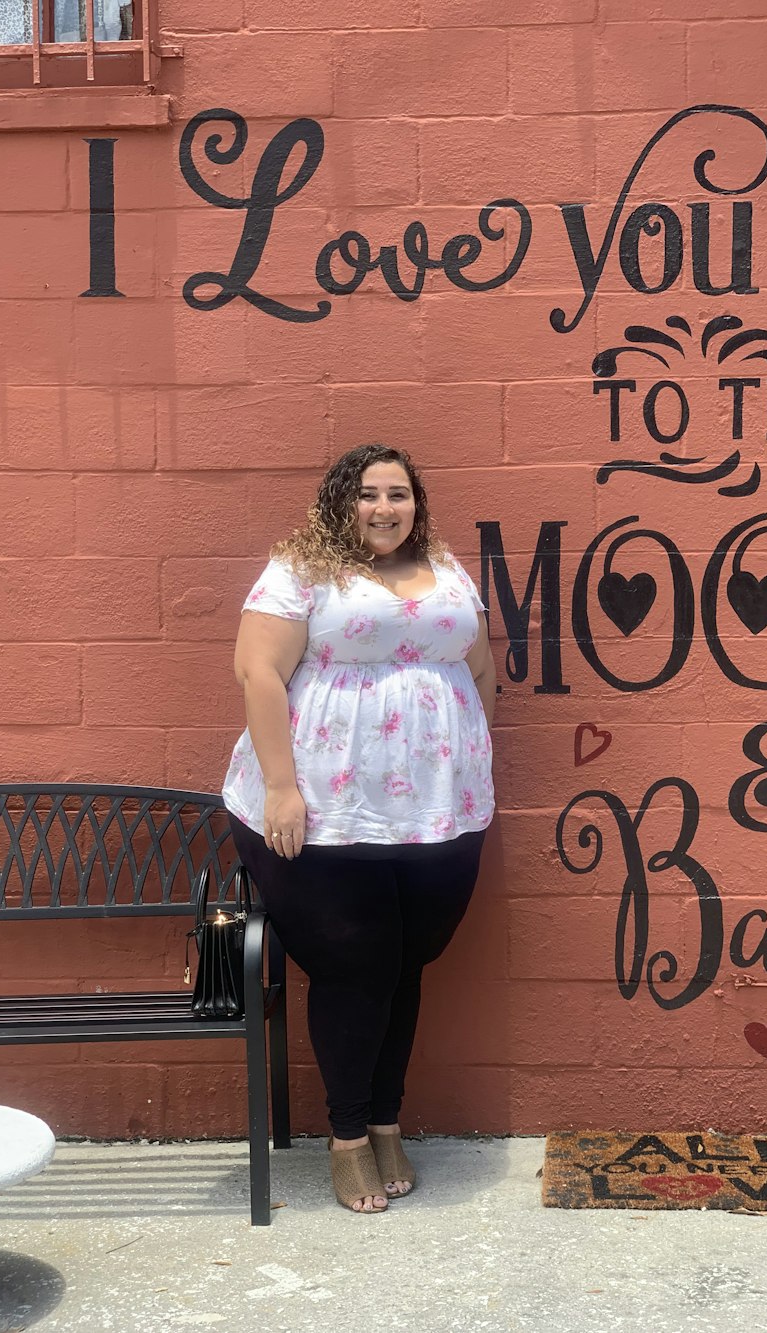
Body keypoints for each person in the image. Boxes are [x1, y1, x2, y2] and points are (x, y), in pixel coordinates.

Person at [222, 443, 495, 1214]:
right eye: (368, 494)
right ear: (341, 501)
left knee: (406, 960)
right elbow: (259, 672)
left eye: (398, 494)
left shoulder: (444, 565)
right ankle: (345, 1140)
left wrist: (469, 752)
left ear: (418, 503)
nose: (384, 508)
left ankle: (383, 1121)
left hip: (437, 809)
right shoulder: (300, 569)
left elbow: (479, 668)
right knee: (356, 963)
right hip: (327, 810)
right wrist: (282, 786)